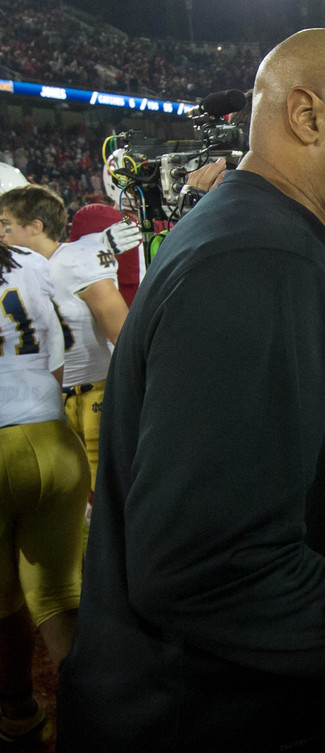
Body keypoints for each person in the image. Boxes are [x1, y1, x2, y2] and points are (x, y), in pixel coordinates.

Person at [56, 29, 325, 752]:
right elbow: (207, 568)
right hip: (205, 715)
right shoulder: (262, 257)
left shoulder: (273, 235)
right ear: (307, 116)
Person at [0, 238, 90, 742]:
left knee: (4, 600)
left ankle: (19, 714)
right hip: (53, 439)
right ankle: (98, 718)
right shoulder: (30, 262)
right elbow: (59, 354)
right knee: (60, 594)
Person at [0, 186, 129, 496]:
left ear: (35, 227)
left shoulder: (76, 260)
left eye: (6, 225)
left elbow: (124, 333)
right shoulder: (16, 272)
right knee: (67, 498)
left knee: (108, 493)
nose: (1, 235)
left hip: (96, 391)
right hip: (49, 402)